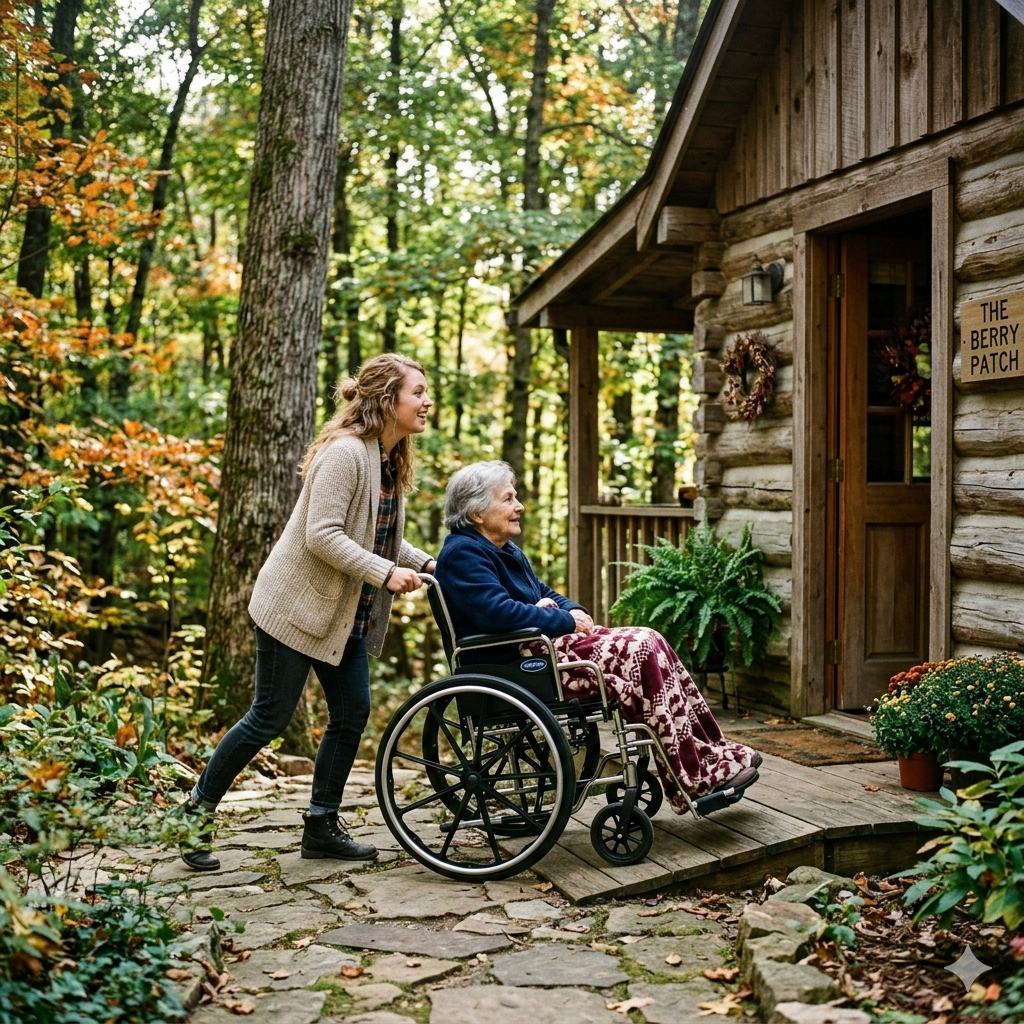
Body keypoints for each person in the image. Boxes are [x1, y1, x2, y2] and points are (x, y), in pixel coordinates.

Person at [180, 354, 436, 869]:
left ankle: (321, 825)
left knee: (351, 714)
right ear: (388, 400)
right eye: (418, 392)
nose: (427, 402)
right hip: (294, 609)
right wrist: (386, 574)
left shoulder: (388, 458)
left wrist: (430, 562)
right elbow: (323, 536)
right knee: (269, 717)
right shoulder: (345, 454)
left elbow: (379, 537)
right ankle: (193, 814)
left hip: (344, 616)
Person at [433, 460, 760, 813]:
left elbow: (542, 591)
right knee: (640, 649)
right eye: (508, 499)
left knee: (651, 639)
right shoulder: (463, 554)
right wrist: (562, 620)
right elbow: (498, 614)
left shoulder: (503, 550)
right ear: (477, 512)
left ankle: (713, 755)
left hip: (541, 651)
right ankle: (693, 777)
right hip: (518, 664)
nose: (519, 507)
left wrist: (574, 612)